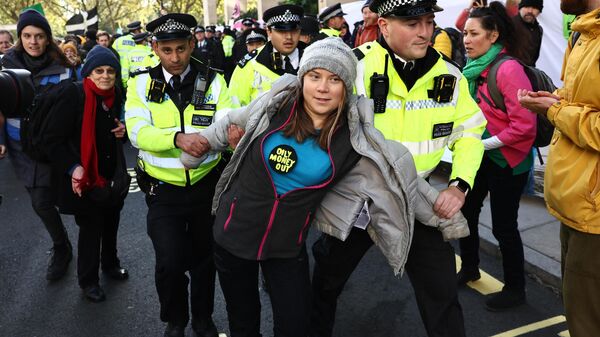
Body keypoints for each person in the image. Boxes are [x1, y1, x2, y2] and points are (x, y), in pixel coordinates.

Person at [181, 37, 469, 337]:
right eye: (314, 76)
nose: (322, 87)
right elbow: (229, 122)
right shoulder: (275, 104)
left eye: (334, 79)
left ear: (346, 86)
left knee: (295, 327)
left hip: (286, 249)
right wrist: (198, 147)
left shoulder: (355, 138)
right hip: (232, 236)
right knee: (243, 324)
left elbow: (400, 180)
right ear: (303, 78)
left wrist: (446, 214)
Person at [310, 0, 487, 336]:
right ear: (385, 25)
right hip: (360, 198)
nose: (424, 32)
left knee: (441, 292)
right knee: (326, 281)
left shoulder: (449, 74)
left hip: (416, 198)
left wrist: (458, 185)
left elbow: (470, 133)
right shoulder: (354, 66)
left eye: (428, 21)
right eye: (412, 23)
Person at [124, 13, 234, 337]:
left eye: (181, 49)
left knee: (204, 261)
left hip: (206, 187)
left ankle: (202, 318)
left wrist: (231, 133)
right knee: (169, 262)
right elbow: (137, 131)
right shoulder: (140, 82)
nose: (175, 58)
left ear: (192, 44)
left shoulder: (213, 79)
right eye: (167, 50)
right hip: (164, 192)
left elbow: (227, 119)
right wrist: (176, 138)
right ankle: (176, 319)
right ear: (155, 47)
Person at [518, 0, 600, 335]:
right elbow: (582, 101)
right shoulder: (583, 32)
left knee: (586, 322)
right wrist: (555, 101)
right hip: (576, 204)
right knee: (578, 312)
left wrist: (554, 112)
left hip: (594, 213)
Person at [458, 1, 536, 311]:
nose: (465, 39)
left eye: (473, 33)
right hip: (481, 156)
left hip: (509, 161)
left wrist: (485, 144)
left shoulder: (508, 69)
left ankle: (516, 289)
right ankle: (469, 267)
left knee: (504, 227)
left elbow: (525, 127)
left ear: (493, 36)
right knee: (466, 214)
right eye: (464, 32)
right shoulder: (472, 68)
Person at [43, 45, 130, 302]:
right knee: (91, 229)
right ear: (88, 73)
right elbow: (52, 140)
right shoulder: (74, 95)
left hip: (110, 174)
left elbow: (114, 132)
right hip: (84, 176)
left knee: (111, 222)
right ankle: (88, 280)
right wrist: (74, 167)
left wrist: (121, 132)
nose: (105, 76)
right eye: (99, 70)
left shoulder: (116, 94)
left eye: (110, 71)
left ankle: (110, 264)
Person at [1, 9, 76, 281]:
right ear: (20, 38)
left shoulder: (65, 69)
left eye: (40, 36)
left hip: (56, 147)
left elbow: (78, 105)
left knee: (73, 202)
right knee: (41, 202)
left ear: (48, 39)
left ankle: (101, 255)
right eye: (27, 36)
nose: (33, 42)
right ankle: (61, 246)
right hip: (23, 151)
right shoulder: (4, 66)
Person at [229, 5, 306, 107]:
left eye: (294, 30)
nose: (289, 37)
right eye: (281, 31)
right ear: (268, 31)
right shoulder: (250, 64)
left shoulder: (314, 58)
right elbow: (235, 108)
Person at [512, 0, 544, 67]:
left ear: (539, 11)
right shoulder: (509, 25)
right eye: (527, 6)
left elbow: (533, 59)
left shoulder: (538, 30)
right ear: (520, 8)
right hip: (509, 72)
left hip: (528, 73)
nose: (530, 11)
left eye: (534, 8)